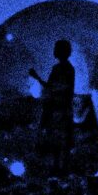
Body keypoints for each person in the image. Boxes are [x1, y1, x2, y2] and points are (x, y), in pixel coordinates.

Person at [29, 39, 75, 174]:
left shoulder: (64, 69)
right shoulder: (65, 68)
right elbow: (54, 87)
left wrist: (37, 77)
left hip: (60, 109)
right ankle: (59, 168)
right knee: (59, 140)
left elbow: (54, 87)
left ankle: (60, 168)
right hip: (60, 108)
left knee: (59, 139)